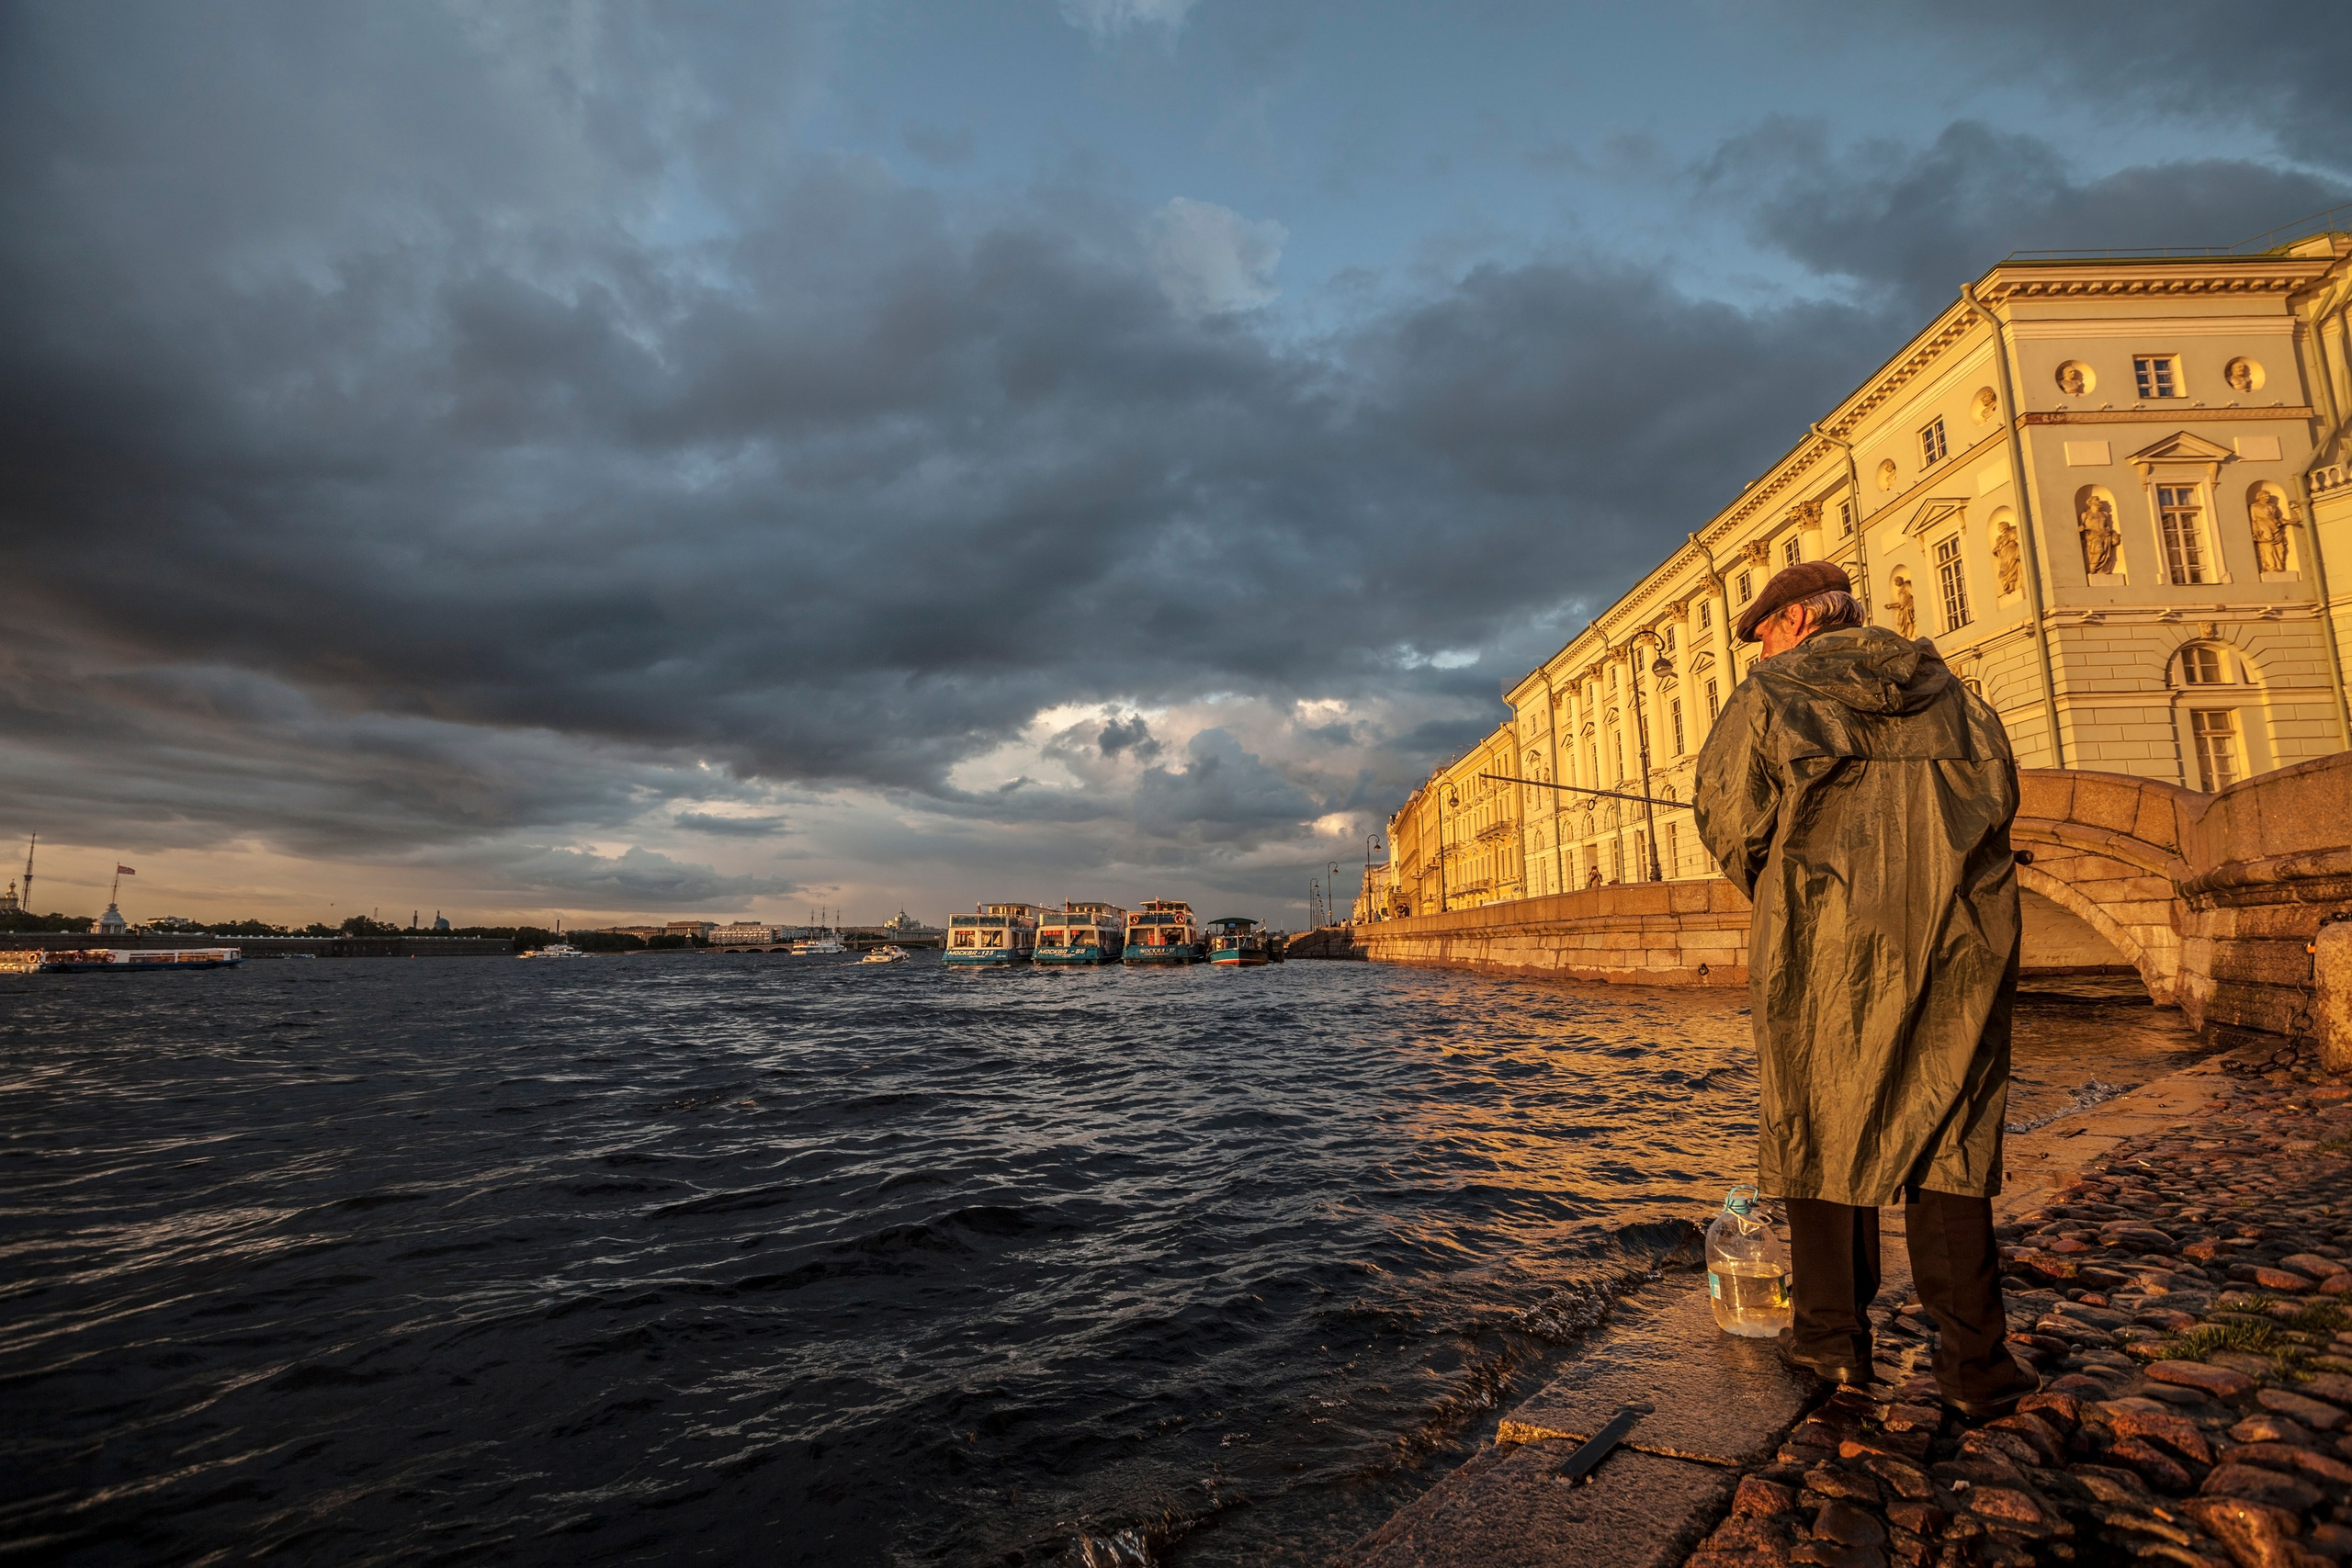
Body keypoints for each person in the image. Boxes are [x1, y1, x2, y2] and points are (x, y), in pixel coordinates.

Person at [1692, 560, 2037, 1418]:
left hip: (1825, 945)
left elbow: (1728, 820)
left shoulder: (1770, 697)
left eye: (1766, 629)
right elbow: (2000, 795)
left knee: (1822, 1119)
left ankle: (1834, 1343)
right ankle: (1975, 1366)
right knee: (1951, 1131)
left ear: (1803, 618)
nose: (1760, 647)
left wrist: (1792, 886)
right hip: (1959, 934)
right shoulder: (1954, 693)